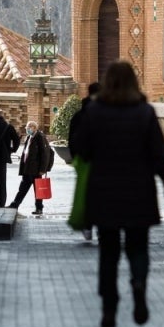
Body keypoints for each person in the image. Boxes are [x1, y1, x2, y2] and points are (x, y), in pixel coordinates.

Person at [74, 60, 164, 327]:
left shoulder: (95, 113)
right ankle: (138, 284)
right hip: (139, 193)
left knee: (108, 253)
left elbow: (79, 150)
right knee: (138, 247)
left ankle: (109, 307)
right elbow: (160, 157)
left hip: (104, 194)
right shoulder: (144, 113)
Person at [68, 81, 100, 241]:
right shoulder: (105, 112)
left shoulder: (79, 115)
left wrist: (76, 158)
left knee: (86, 194)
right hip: (101, 161)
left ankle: (88, 225)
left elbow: (72, 139)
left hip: (84, 160)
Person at [8, 120, 54, 215]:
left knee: (38, 190)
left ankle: (39, 208)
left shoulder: (40, 137)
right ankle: (15, 204)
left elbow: (45, 154)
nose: (27, 129)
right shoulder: (29, 137)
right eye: (27, 127)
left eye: (29, 127)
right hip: (27, 169)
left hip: (36, 170)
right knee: (22, 188)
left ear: (34, 128)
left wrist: (42, 169)